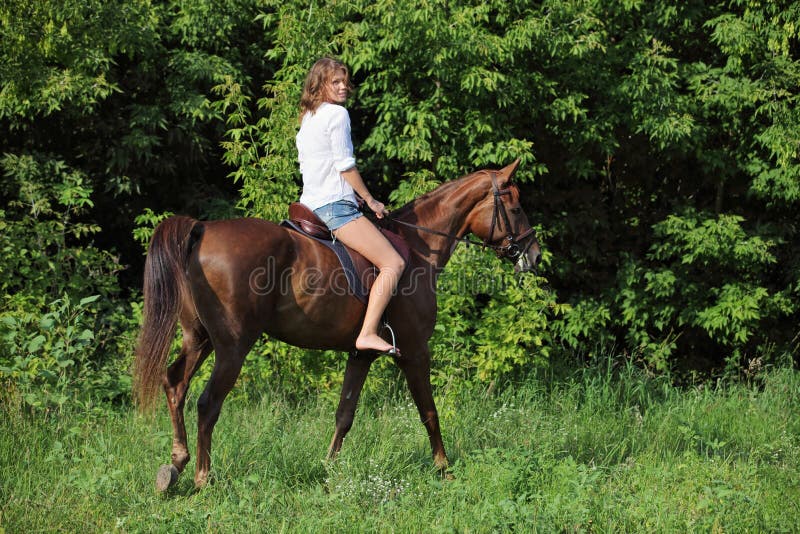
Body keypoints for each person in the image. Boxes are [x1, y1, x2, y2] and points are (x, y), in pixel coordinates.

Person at [296, 57, 405, 356]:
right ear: (320, 84)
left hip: (308, 206)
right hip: (335, 208)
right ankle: (368, 332)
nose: (344, 87)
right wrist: (370, 200)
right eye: (336, 82)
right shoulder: (337, 114)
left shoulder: (309, 116)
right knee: (393, 264)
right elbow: (345, 166)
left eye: (345, 81)